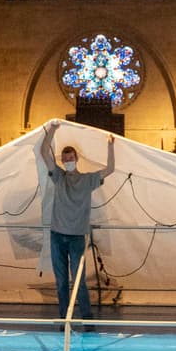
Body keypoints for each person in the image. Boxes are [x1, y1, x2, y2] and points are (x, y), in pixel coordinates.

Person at [38, 120, 114, 326]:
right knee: (61, 281)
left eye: (70, 158)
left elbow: (110, 169)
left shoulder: (88, 179)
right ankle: (65, 319)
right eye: (65, 159)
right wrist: (52, 130)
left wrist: (110, 145)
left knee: (79, 280)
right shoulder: (59, 176)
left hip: (77, 237)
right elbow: (44, 152)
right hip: (57, 235)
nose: (68, 161)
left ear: (76, 158)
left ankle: (87, 318)